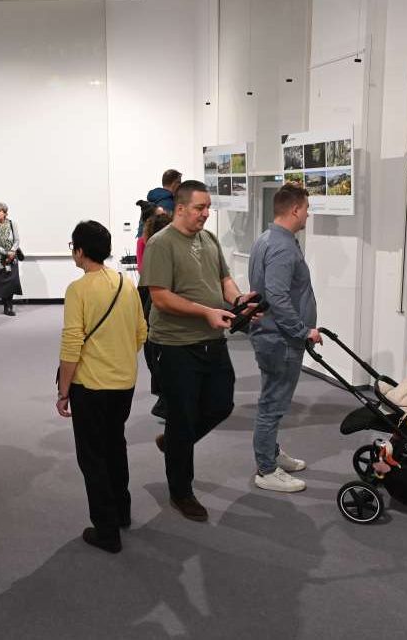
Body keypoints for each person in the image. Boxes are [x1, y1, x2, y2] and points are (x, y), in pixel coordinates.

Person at [139, 180, 259, 522]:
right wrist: (206, 311)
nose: (206, 213)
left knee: (221, 404)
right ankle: (181, 491)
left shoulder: (208, 239)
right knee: (182, 416)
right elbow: (161, 298)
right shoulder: (161, 244)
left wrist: (239, 300)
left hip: (212, 339)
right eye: (199, 208)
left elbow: (224, 280)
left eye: (208, 207)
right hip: (174, 344)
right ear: (180, 208)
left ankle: (174, 442)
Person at [57, 220, 147, 553]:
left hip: (91, 387)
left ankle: (107, 531)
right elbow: (141, 332)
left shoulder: (78, 290)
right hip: (124, 383)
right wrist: (118, 357)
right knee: (115, 446)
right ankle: (121, 512)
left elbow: (71, 345)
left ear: (80, 251)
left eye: (73, 248)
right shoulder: (126, 284)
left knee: (92, 457)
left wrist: (63, 391)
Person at [247, 183, 319, 493]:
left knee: (271, 399)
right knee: (272, 404)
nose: (307, 215)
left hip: (272, 336)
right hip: (280, 339)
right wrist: (303, 331)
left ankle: (271, 453)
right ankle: (266, 469)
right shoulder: (283, 247)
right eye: (306, 209)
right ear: (295, 209)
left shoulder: (267, 239)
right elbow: (277, 296)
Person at [138, 212, 171, 420]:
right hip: (160, 327)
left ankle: (167, 402)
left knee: (159, 363)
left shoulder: (156, 260)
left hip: (158, 327)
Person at [0, 202, 23, 316]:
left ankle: (9, 305)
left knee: (11, 282)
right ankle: (5, 306)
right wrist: (6, 252)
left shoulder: (13, 224)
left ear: (5, 213)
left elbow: (17, 240)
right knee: (2, 283)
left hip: (12, 258)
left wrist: (12, 251)